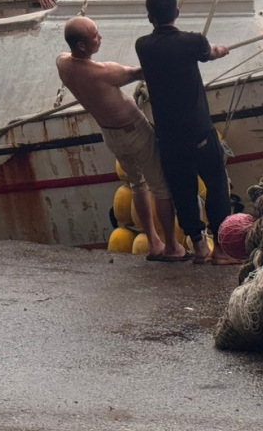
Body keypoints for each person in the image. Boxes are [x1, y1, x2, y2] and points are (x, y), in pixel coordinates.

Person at [56, 16, 188, 262]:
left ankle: (153, 242)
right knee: (161, 187)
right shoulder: (105, 72)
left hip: (110, 134)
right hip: (133, 131)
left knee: (137, 185)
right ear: (82, 45)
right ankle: (171, 245)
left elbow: (67, 56)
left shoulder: (62, 64)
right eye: (95, 35)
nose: (100, 37)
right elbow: (142, 72)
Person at [135, 0, 240, 265]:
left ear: (150, 17)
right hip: (199, 132)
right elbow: (212, 52)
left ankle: (199, 247)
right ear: (177, 13)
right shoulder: (193, 42)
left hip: (169, 138)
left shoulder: (142, 46)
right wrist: (222, 49)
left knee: (183, 191)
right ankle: (221, 248)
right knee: (216, 184)